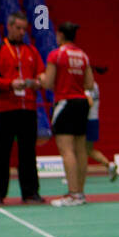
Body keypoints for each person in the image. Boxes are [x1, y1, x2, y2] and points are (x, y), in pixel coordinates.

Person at [37, 22, 95, 207]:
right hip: (82, 103)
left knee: (66, 150)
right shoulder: (83, 55)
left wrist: (41, 77)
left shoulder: (57, 54)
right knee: (80, 150)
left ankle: (72, 194)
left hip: (65, 103)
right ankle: (80, 193)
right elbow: (90, 84)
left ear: (60, 35)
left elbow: (47, 83)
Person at [0, 11, 46, 205]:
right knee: (0, 153)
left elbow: (42, 74)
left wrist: (40, 80)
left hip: (28, 109)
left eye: (24, 29)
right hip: (4, 109)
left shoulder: (32, 51)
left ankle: (30, 193)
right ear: (9, 27)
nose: (22, 32)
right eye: (18, 28)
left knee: (28, 153)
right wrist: (9, 84)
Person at [84, 76, 117, 182]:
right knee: (88, 150)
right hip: (94, 120)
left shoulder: (86, 86)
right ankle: (109, 165)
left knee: (81, 150)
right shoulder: (95, 85)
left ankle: (76, 176)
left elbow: (89, 103)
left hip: (86, 121)